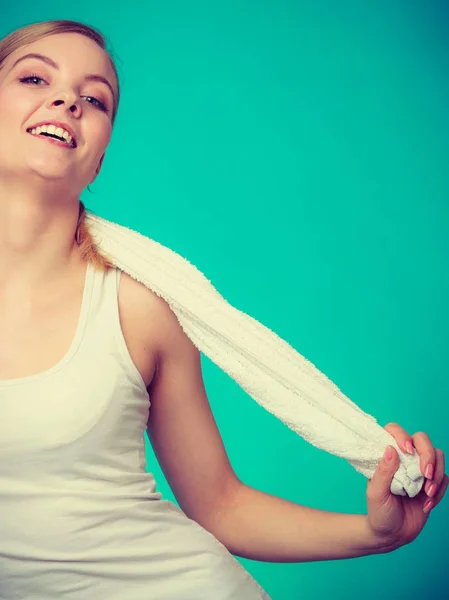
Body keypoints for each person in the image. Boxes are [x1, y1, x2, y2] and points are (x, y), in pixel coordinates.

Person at [0, 19, 447, 600]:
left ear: (99, 159)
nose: (67, 101)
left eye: (95, 99)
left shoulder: (140, 305)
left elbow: (221, 506)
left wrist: (376, 534)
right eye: (35, 77)